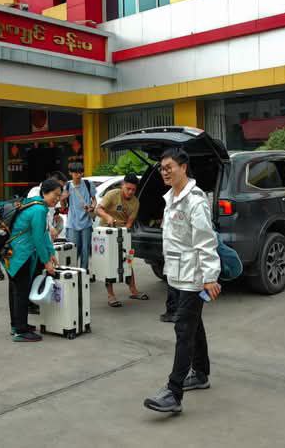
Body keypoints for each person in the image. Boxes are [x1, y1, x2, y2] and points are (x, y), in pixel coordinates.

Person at [143, 148, 221, 414]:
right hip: (176, 275)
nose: (164, 172)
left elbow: (206, 241)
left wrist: (209, 277)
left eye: (169, 167)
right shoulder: (171, 198)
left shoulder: (195, 201)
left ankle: (173, 392)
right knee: (194, 325)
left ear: (183, 167)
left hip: (192, 278)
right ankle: (200, 373)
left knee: (184, 330)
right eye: (162, 168)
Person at [5, 179, 62, 342]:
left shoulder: (35, 204)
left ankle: (17, 325)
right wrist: (47, 261)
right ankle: (21, 331)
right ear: (45, 192)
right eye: (55, 194)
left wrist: (51, 252)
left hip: (13, 253)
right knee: (21, 292)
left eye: (59, 196)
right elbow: (38, 238)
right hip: (20, 255)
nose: (57, 199)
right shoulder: (39, 209)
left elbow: (43, 233)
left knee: (16, 291)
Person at [95, 172, 148, 307]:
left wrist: (123, 233)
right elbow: (98, 209)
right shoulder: (112, 194)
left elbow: (130, 222)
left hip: (123, 234)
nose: (130, 192)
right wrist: (108, 217)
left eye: (133, 190)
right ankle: (111, 295)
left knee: (128, 261)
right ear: (123, 185)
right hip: (107, 232)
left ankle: (133, 290)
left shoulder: (135, 202)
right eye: (128, 188)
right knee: (110, 264)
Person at [63, 162, 96, 271]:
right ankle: (73, 273)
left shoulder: (88, 184)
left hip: (86, 222)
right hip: (72, 223)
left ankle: (84, 272)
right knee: (73, 249)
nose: (78, 175)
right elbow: (63, 206)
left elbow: (94, 200)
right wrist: (63, 198)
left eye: (80, 172)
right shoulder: (67, 186)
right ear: (70, 173)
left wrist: (92, 207)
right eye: (76, 173)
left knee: (85, 250)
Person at [27, 170, 67, 241]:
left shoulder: (55, 195)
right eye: (61, 186)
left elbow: (57, 211)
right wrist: (50, 227)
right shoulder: (35, 192)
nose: (61, 189)